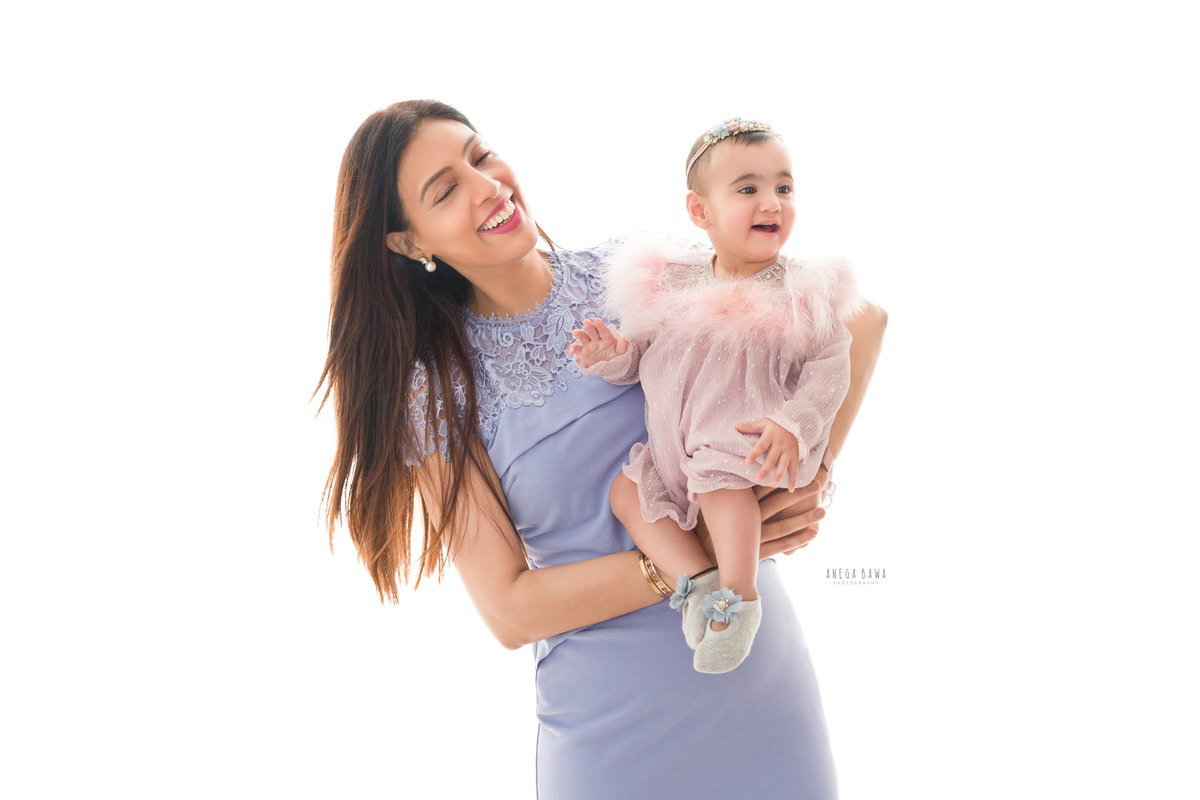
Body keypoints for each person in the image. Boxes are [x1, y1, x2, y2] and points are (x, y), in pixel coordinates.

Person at [315, 99, 888, 799]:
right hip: (612, 732)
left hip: (760, 692)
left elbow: (858, 322)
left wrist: (804, 470)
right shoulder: (434, 390)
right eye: (446, 190)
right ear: (411, 243)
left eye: (480, 155)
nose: (488, 186)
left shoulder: (641, 275)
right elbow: (511, 611)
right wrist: (687, 560)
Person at [568, 117, 863, 674]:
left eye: (784, 187)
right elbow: (641, 360)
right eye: (748, 189)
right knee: (626, 493)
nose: (772, 202)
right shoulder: (673, 283)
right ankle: (699, 582)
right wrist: (611, 356)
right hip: (671, 450)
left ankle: (741, 598)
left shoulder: (801, 292)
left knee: (721, 486)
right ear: (700, 211)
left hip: (741, 442)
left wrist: (794, 423)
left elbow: (831, 368)